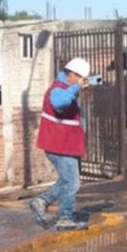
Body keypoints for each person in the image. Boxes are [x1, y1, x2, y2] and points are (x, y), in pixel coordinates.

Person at [29, 58, 91, 231]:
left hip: (65, 144)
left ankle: (41, 201)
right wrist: (77, 87)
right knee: (71, 183)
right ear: (71, 74)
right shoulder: (57, 89)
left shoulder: (65, 88)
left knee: (68, 181)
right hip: (60, 144)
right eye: (79, 77)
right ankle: (65, 218)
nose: (80, 81)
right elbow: (60, 103)